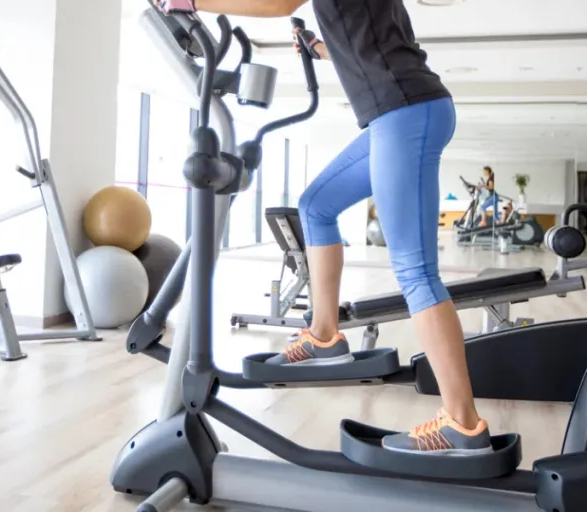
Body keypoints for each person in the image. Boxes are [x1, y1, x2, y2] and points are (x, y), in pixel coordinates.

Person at [154, 0, 493, 456]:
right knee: (316, 205)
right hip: (399, 111)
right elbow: (370, 43)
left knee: (415, 271)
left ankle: (463, 424)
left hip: (404, 111)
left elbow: (279, 3)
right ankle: (324, 336)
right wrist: (318, 46)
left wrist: (193, 2)